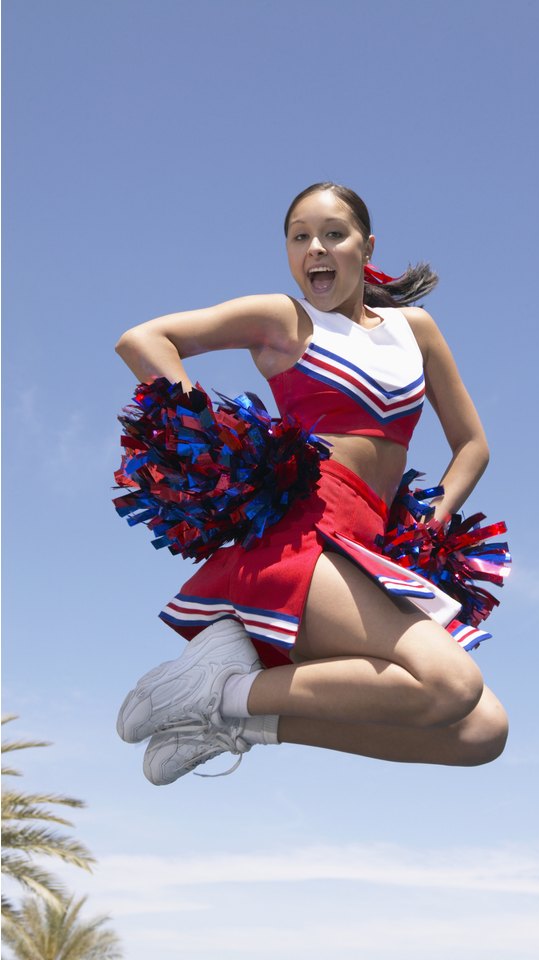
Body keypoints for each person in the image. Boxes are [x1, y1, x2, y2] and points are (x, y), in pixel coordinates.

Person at [114, 181, 509, 784]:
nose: (315, 249)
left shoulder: (414, 330)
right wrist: (217, 446)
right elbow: (144, 340)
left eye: (333, 234)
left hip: (368, 544)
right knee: (450, 682)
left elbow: (473, 446)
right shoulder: (284, 318)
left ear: (366, 245)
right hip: (304, 534)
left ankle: (237, 718)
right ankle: (219, 692)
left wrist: (432, 520)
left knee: (481, 732)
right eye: (300, 237)